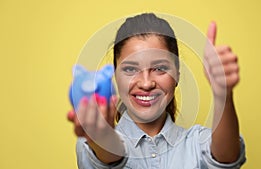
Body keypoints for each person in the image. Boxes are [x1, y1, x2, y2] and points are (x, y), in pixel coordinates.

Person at [67, 13, 246, 169]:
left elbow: (226, 159)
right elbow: (110, 157)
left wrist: (223, 94)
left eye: (160, 68)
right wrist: (103, 137)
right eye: (130, 69)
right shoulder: (91, 144)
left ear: (177, 74)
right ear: (115, 75)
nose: (146, 83)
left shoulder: (197, 142)